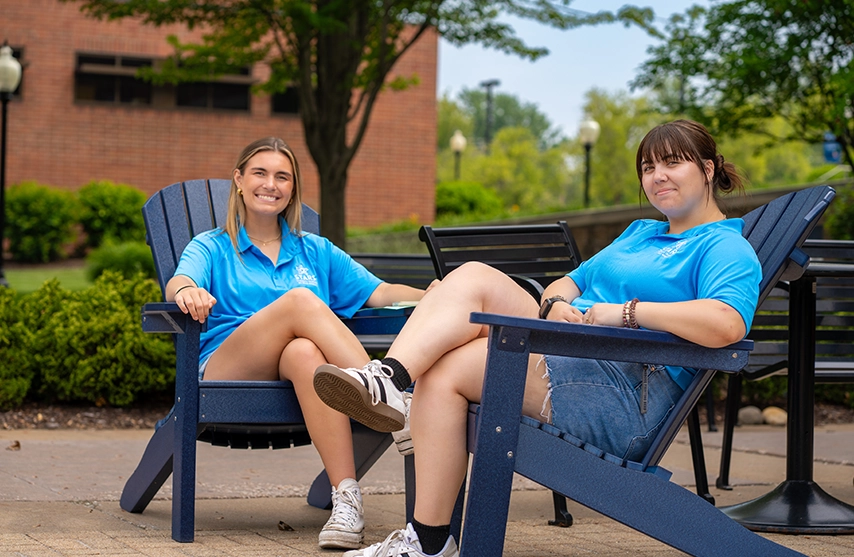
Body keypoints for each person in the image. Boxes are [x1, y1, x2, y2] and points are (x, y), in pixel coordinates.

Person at [312, 119, 763, 557]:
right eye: (648, 167)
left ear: (707, 169)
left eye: (672, 163)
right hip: (572, 349)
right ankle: (390, 384)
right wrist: (555, 305)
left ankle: (425, 529)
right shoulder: (641, 232)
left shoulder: (723, 246)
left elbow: (727, 323)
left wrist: (626, 313)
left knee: (447, 368)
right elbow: (567, 282)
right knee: (472, 278)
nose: (657, 176)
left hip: (622, 392)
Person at [165, 137, 427, 551]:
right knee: (302, 302)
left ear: (293, 189)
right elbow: (181, 279)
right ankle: (391, 396)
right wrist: (185, 291)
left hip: (297, 372)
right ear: (238, 180)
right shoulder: (211, 245)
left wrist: (437, 296)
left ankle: (347, 501)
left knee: (305, 353)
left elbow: (380, 292)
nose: (271, 184)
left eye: (282, 177)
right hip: (227, 365)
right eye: (260, 173)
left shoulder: (315, 250)